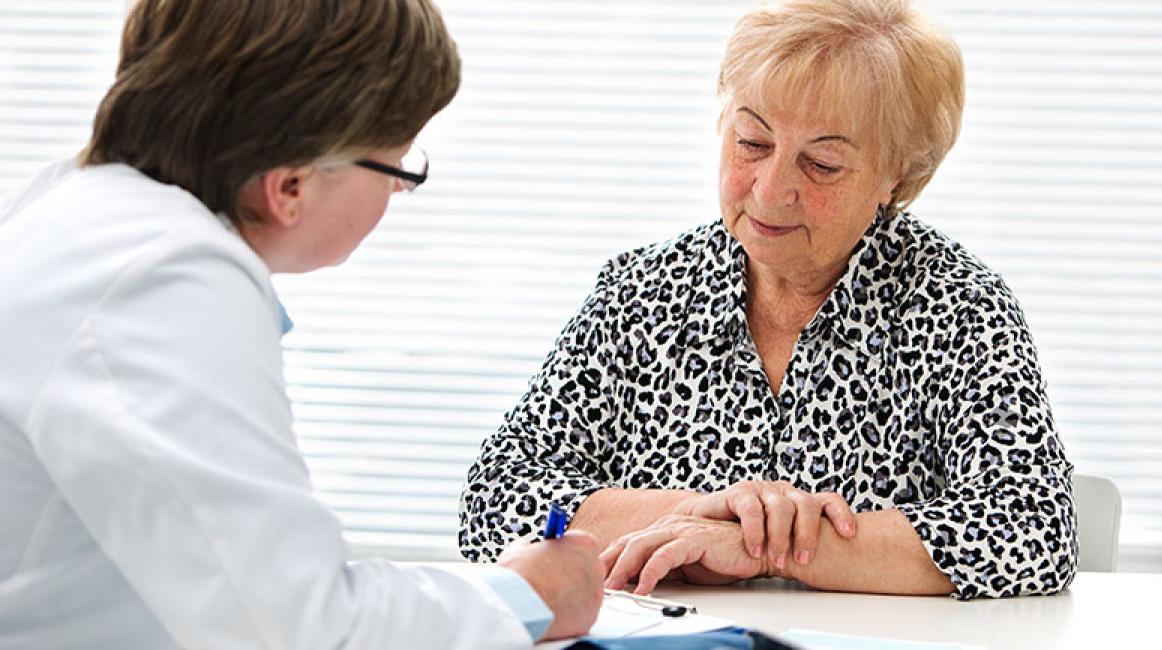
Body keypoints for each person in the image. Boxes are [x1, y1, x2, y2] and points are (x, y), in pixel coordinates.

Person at [0, 1, 603, 648]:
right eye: (399, 164)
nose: (399, 191)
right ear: (289, 186)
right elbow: (296, 629)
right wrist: (525, 596)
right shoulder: (166, 277)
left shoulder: (82, 211)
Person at [460, 0, 1077, 601]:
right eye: (752, 142)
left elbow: (1033, 529)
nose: (772, 189)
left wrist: (768, 548)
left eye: (823, 164)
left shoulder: (960, 308)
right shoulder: (638, 293)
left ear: (900, 175)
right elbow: (495, 500)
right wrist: (701, 517)